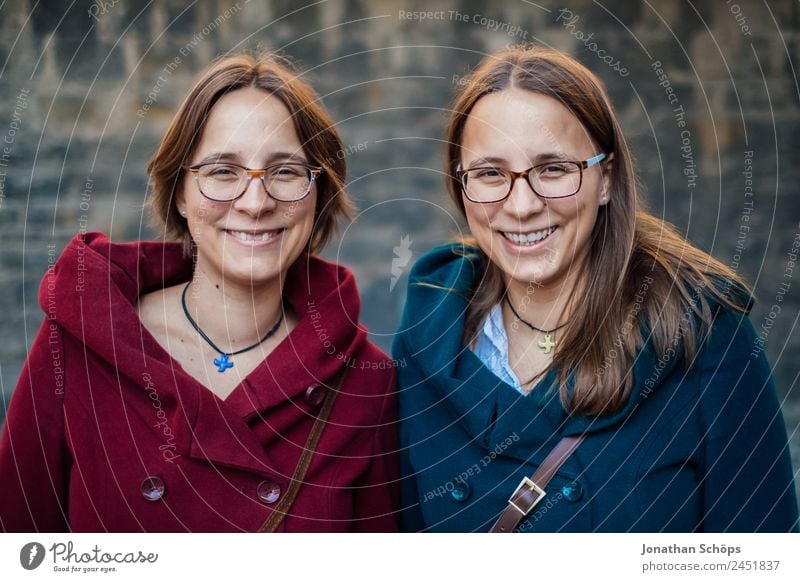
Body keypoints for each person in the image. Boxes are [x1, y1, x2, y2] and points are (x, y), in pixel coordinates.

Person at [394, 45, 798, 532]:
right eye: (489, 173)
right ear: (461, 187)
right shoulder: (429, 333)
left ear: (605, 179)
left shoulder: (703, 333)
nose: (521, 206)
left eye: (553, 169)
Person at [0, 52, 398, 532]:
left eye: (286, 171)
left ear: (319, 193)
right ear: (180, 194)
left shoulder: (365, 382)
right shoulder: (78, 343)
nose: (255, 202)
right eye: (222, 171)